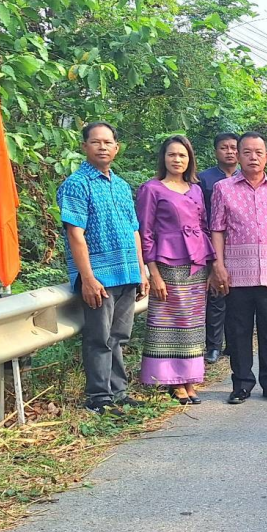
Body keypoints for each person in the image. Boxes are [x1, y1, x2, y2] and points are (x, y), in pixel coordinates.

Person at [57, 122, 148, 412]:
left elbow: (134, 230)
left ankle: (118, 392)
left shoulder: (121, 186)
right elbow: (75, 233)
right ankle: (99, 397)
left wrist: (141, 269)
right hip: (99, 276)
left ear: (116, 147)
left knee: (118, 337)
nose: (102, 147)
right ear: (84, 147)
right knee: (99, 338)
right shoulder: (76, 184)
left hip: (127, 272)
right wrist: (87, 278)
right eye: (96, 142)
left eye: (108, 142)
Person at [209, 132, 267, 405]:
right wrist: (219, 265)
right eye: (246, 152)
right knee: (238, 331)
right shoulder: (223, 189)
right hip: (236, 273)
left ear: (266, 157)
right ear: (238, 155)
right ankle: (241, 384)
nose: (252, 157)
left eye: (258, 152)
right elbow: (217, 229)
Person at [136, 136, 215, 404]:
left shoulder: (195, 189)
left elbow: (203, 226)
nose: (177, 160)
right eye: (172, 155)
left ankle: (190, 378)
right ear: (164, 158)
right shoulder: (151, 189)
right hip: (166, 264)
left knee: (192, 324)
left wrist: (211, 265)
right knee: (168, 323)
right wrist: (153, 272)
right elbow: (145, 232)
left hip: (196, 264)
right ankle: (171, 381)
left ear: (189, 159)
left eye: (182, 155)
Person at [197, 132, 240, 364]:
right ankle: (213, 346)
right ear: (216, 151)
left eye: (234, 147)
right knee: (216, 296)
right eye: (225, 148)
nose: (230, 152)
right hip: (213, 244)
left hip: (241, 246)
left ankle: (234, 344)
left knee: (238, 299)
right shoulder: (204, 179)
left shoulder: (248, 177)